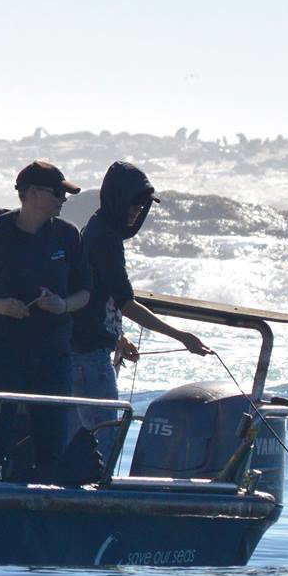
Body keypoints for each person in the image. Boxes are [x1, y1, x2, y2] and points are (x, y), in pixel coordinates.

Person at [70, 161, 211, 462]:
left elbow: (98, 296)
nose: (138, 209)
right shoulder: (105, 238)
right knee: (106, 439)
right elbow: (126, 302)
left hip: (90, 349)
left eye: (144, 204)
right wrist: (181, 336)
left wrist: (118, 338)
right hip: (89, 356)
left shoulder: (98, 228)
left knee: (95, 437)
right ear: (117, 198)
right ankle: (97, 501)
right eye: (134, 201)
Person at [0, 160, 91, 480]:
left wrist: (61, 305)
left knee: (52, 443)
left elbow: (85, 292)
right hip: (0, 355)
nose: (63, 200)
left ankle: (48, 505)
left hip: (52, 356)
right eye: (58, 193)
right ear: (31, 194)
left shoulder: (67, 235)